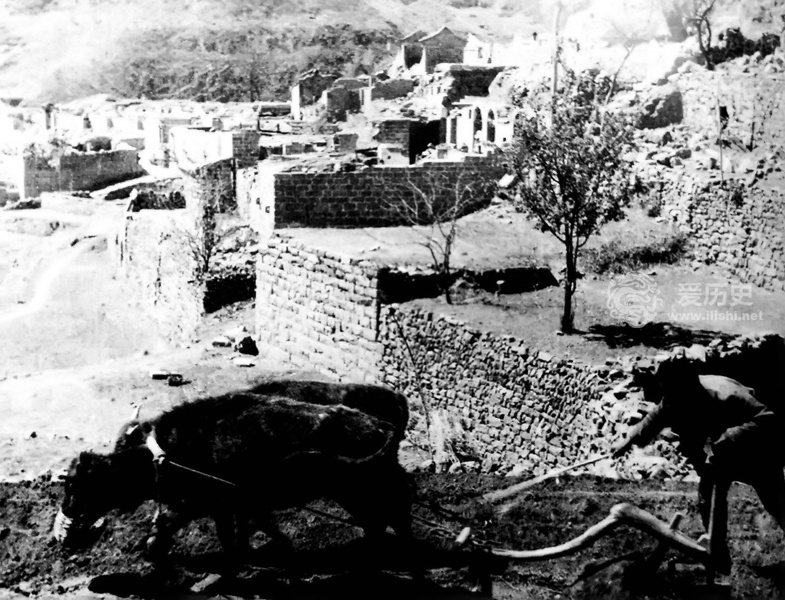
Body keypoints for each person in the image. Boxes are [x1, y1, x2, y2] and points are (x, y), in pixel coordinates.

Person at [612, 357, 785, 574]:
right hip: (721, 457)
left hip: (758, 452)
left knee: (776, 501)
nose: (668, 398)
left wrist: (728, 439)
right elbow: (657, 415)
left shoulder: (725, 393)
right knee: (708, 497)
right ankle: (718, 558)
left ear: (689, 387)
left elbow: (767, 418)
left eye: (672, 393)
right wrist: (629, 439)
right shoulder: (675, 395)